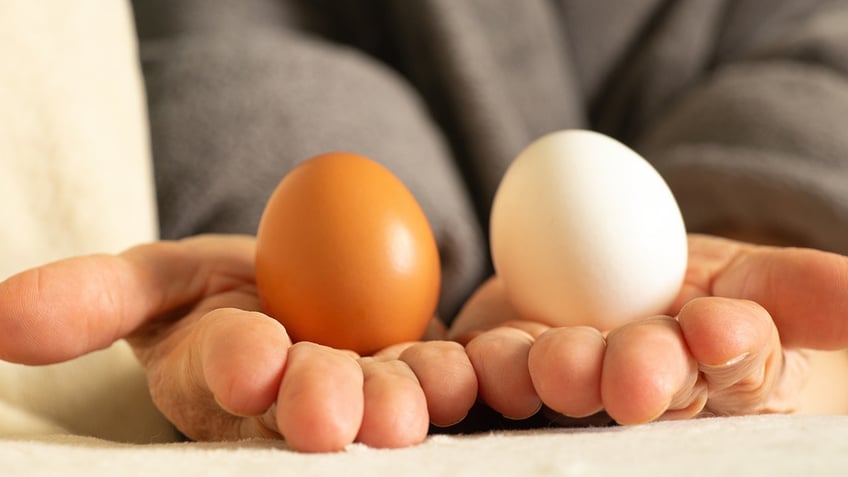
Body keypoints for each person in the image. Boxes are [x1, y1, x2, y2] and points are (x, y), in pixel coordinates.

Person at [4, 0, 848, 452]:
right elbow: (239, 38)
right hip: (327, 108)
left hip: (695, 132)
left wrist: (748, 219)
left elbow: (805, 33)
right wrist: (281, 230)